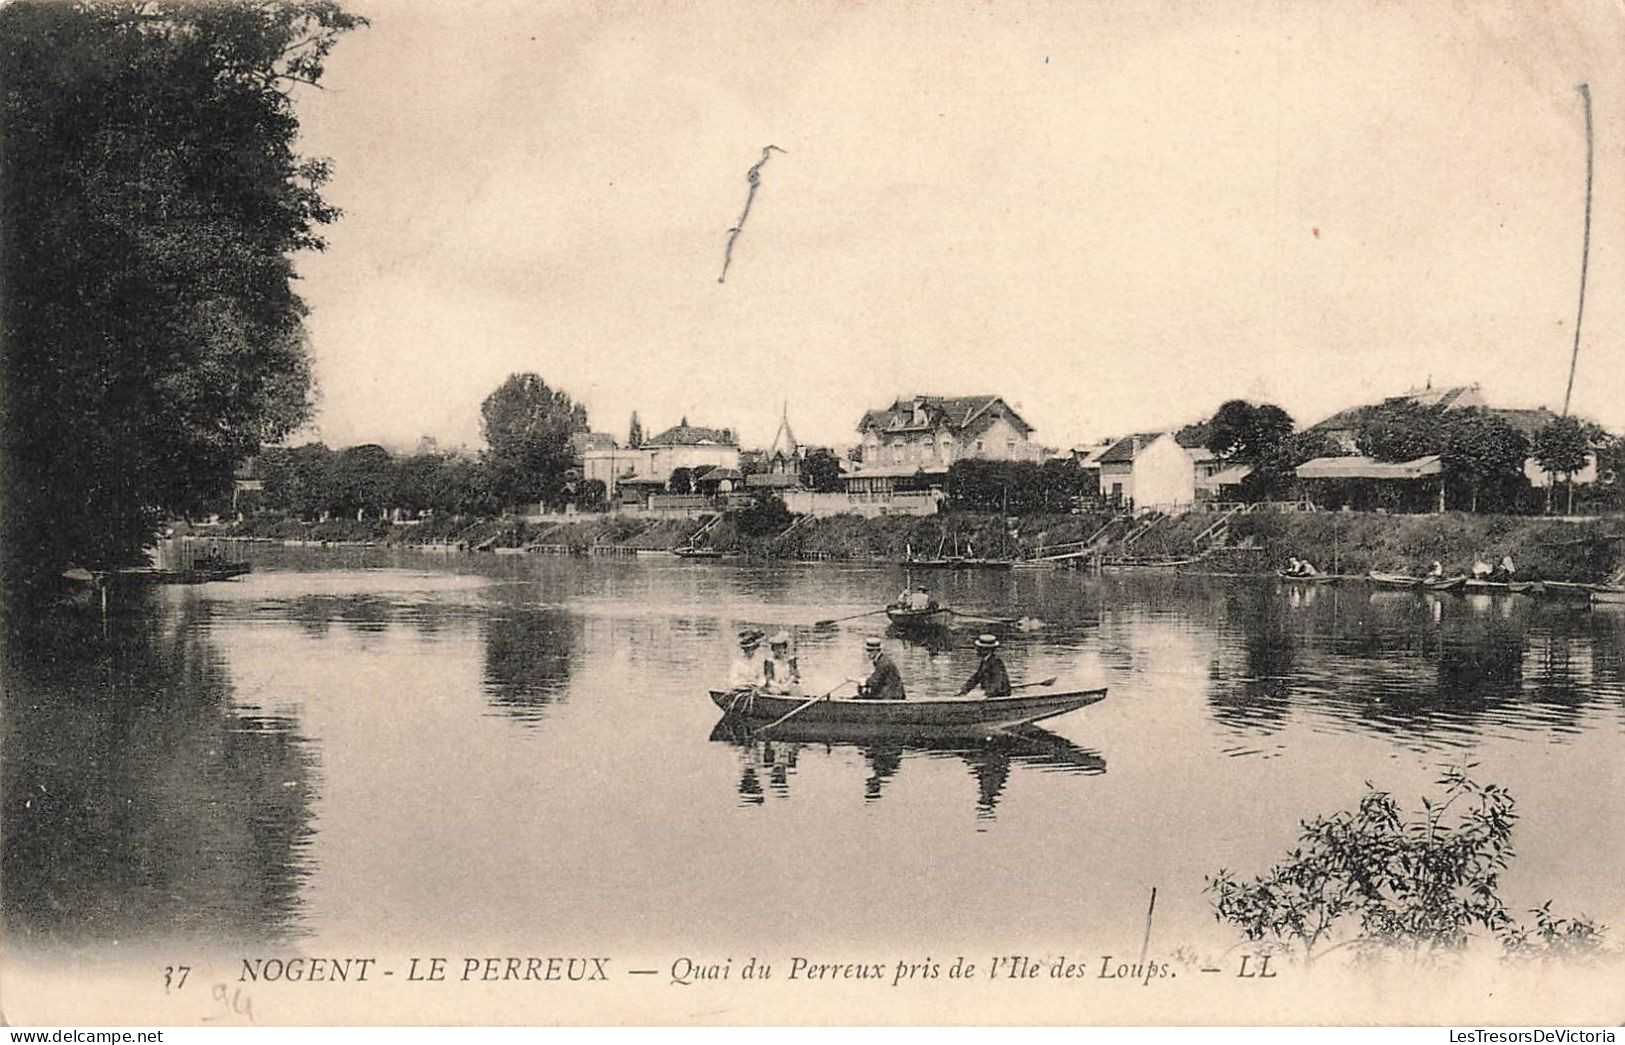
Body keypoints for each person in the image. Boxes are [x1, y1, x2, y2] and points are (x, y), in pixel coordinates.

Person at [959, 633, 1012, 699]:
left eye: (980, 649)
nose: (977, 650)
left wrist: (986, 695)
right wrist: (964, 690)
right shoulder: (985, 661)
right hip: (989, 692)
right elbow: (976, 677)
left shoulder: (996, 662)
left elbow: (997, 681)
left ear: (988, 650)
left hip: (1000, 693)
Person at [855, 637, 905, 701]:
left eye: (870, 651)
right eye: (867, 650)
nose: (868, 653)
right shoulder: (881, 660)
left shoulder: (883, 662)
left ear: (876, 651)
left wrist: (862, 681)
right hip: (887, 693)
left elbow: (874, 681)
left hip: (892, 695)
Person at [764, 630, 802, 696]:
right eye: (776, 648)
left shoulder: (791, 660)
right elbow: (769, 679)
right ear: (773, 649)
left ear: (784, 648)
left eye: (780, 647)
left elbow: (793, 676)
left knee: (796, 689)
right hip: (775, 686)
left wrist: (786, 685)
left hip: (789, 685)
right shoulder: (769, 662)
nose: (778, 650)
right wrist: (780, 687)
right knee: (774, 692)